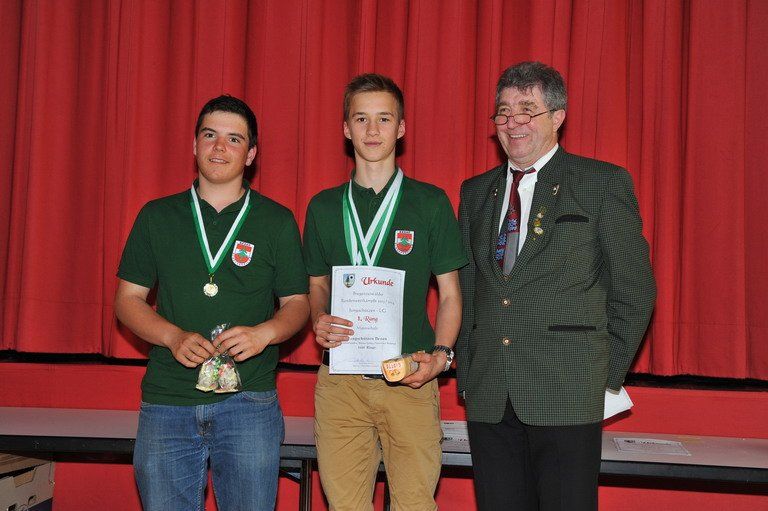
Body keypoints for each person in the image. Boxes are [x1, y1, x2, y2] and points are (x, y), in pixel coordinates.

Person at [456, 61, 656, 511]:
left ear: (558, 116)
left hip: (569, 389)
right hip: (490, 391)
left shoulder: (601, 183)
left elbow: (635, 289)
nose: (514, 122)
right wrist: (468, 373)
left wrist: (601, 376)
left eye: (528, 109)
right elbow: (468, 290)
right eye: (504, 111)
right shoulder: (475, 192)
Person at [114, 95, 309, 510]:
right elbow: (128, 300)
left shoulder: (277, 221)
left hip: (249, 403)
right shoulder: (156, 216)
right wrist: (172, 336)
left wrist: (264, 334)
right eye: (210, 135)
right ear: (194, 145)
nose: (220, 147)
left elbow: (297, 303)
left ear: (251, 154)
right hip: (167, 401)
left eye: (234, 139)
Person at [302, 73, 467, 511]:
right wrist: (318, 318)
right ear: (346, 128)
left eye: (384, 118)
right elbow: (317, 284)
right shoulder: (322, 207)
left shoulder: (430, 203)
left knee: (415, 505)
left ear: (401, 128)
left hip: (410, 377)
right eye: (361, 118)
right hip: (341, 383)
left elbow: (450, 293)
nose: (372, 130)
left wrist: (441, 355)